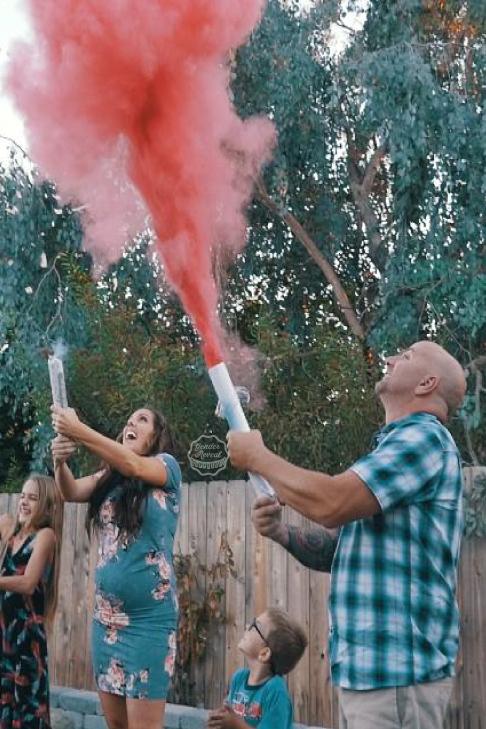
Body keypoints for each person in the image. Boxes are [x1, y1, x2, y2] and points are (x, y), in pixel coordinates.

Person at [227, 341, 467, 729]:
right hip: (373, 674)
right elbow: (340, 551)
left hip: (397, 675)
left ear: (426, 382)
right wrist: (282, 533)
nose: (389, 358)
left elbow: (331, 502)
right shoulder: (392, 448)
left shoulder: (425, 440)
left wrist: (259, 458)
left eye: (404, 356)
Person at [51, 406, 181, 729]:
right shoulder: (109, 478)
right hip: (106, 622)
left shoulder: (166, 468)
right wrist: (60, 462)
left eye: (142, 420)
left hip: (149, 625)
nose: (131, 424)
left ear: (156, 436)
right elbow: (70, 491)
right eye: (128, 420)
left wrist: (79, 430)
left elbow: (133, 464)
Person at [0, 474, 63, 729]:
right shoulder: (10, 533)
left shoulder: (46, 536)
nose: (24, 502)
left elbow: (27, 583)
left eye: (33, 498)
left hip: (27, 638)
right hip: (4, 633)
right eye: (23, 495)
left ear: (45, 504)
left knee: (27, 710)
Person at [207, 607, 307, 729]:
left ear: (264, 654)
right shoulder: (239, 678)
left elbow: (234, 723)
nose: (248, 626)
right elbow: (228, 716)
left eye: (255, 626)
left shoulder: (276, 693)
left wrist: (235, 725)